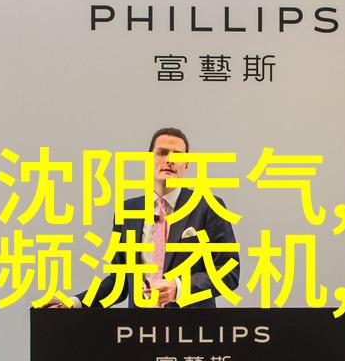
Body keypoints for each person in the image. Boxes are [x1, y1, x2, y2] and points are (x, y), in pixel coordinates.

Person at [48, 127, 240, 309]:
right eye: (162, 153)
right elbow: (119, 282)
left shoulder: (207, 207)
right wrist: (74, 302)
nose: (169, 160)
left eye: (178, 155)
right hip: (138, 328)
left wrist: (179, 288)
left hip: (191, 328)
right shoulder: (128, 211)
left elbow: (229, 271)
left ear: (187, 165)